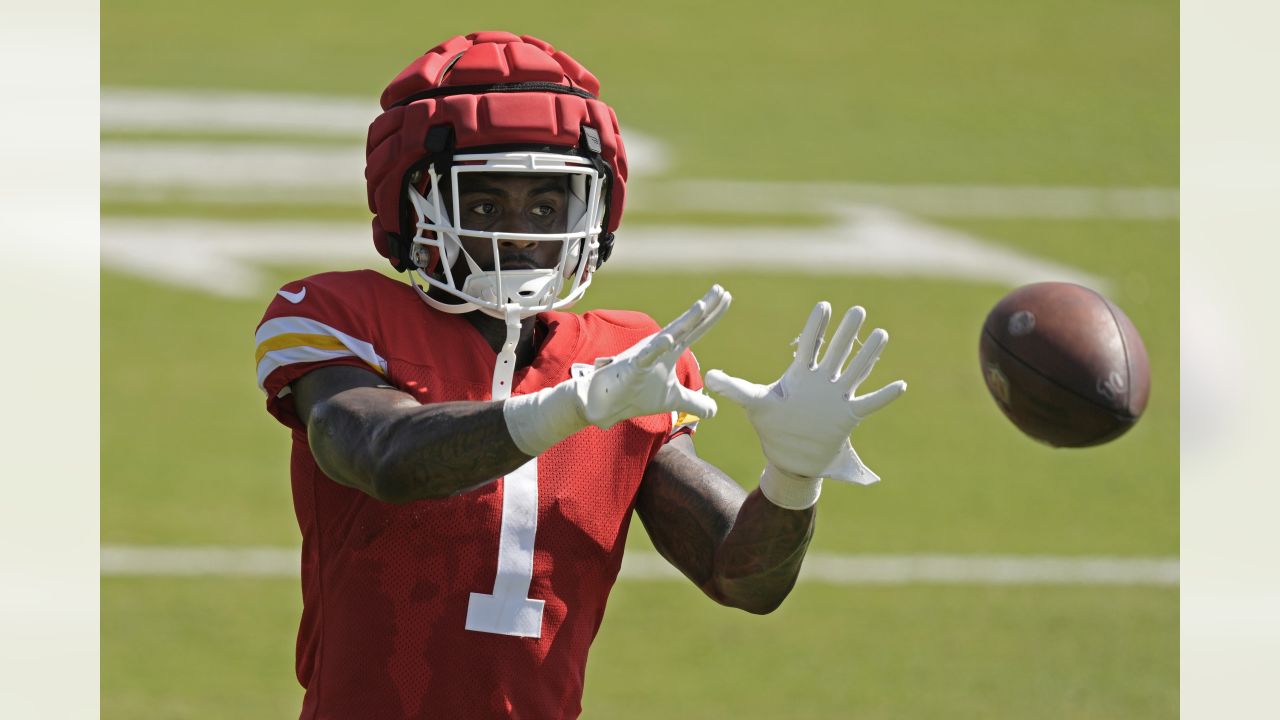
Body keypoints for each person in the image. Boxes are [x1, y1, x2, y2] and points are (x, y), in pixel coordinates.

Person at [253, 30, 906, 719]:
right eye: (483, 206)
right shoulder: (341, 314)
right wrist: (568, 408)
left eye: (546, 205)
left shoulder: (623, 356)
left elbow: (740, 578)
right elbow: (383, 456)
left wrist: (794, 478)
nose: (522, 233)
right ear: (414, 205)